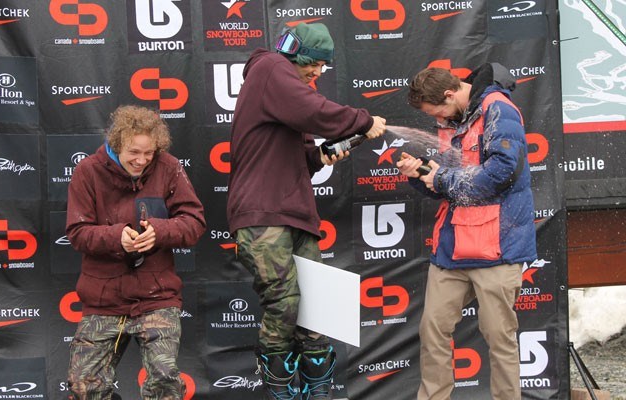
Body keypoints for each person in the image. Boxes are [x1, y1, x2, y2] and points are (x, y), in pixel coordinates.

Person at [226, 22, 386, 399]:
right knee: (284, 304)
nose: (318, 72)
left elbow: (298, 157)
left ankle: (318, 393)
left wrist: (322, 155)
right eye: (314, 63)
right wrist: (362, 120)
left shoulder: (284, 91)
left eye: (323, 67)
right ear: (294, 53)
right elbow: (313, 111)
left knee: (317, 310)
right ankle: (281, 393)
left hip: (296, 212)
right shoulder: (270, 67)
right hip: (263, 213)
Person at [397, 64, 536, 400]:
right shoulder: (456, 118)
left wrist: (441, 178)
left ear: (450, 94)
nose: (439, 120)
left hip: (498, 247)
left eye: (439, 111)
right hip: (453, 246)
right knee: (433, 330)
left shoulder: (498, 109)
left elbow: (502, 172)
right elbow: (452, 186)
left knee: (499, 338)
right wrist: (420, 175)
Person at [65, 105, 206, 400]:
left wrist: (159, 231)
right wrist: (118, 238)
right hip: (103, 298)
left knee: (165, 381)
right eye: (133, 152)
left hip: (156, 296)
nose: (141, 161)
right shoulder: (87, 171)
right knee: (83, 386)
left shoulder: (169, 167)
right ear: (117, 144)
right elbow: (77, 233)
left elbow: (194, 223)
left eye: (149, 153)